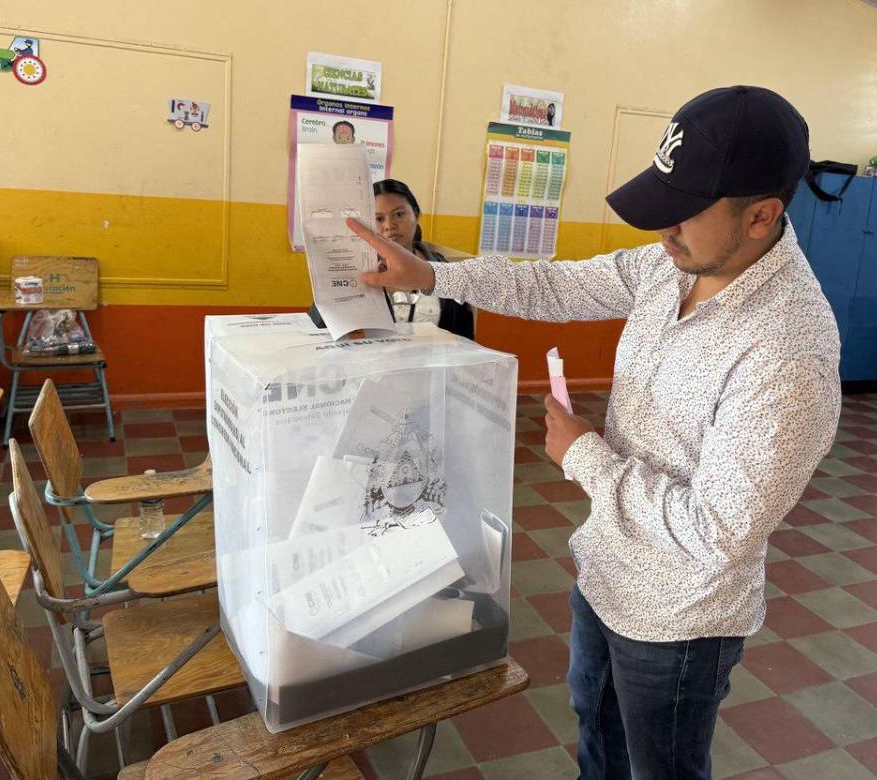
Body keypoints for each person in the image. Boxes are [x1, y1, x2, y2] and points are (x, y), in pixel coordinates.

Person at [346, 86, 841, 780]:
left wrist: (586, 457)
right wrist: (433, 276)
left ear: (761, 216)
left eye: (684, 213)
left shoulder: (788, 352)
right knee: (599, 745)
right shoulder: (672, 265)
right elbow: (557, 289)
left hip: (678, 619)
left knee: (659, 768)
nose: (663, 232)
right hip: (608, 570)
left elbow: (719, 532)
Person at [308, 179, 474, 340]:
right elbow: (317, 328)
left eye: (399, 214)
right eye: (379, 219)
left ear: (416, 214)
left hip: (435, 366)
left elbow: (464, 337)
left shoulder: (443, 269)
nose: (389, 225)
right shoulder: (352, 269)